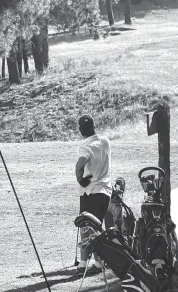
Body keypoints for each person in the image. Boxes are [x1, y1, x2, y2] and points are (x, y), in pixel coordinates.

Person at [75, 114, 112, 276]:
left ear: (81, 130)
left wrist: (81, 179)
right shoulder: (105, 141)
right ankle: (98, 261)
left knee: (86, 228)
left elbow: (79, 165)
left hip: (91, 192)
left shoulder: (86, 147)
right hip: (105, 191)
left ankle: (85, 264)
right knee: (97, 228)